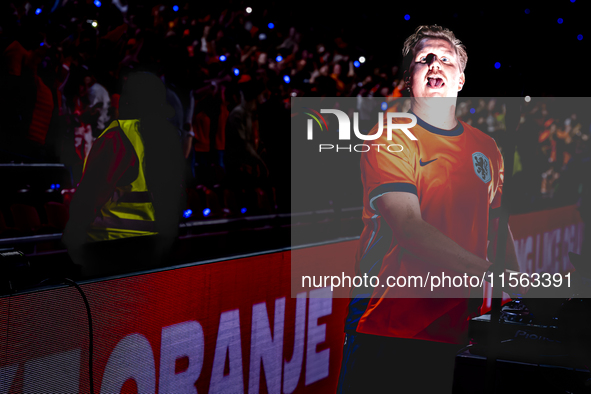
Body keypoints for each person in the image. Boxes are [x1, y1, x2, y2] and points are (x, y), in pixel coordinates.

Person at [337, 25, 524, 393]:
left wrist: (521, 293)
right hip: (387, 322)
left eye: (446, 60)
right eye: (424, 60)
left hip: (458, 324)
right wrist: (492, 272)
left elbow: (497, 224)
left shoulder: (486, 147)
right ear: (409, 78)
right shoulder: (390, 135)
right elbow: (408, 227)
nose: (435, 64)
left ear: (461, 79)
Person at [62, 72, 185, 279]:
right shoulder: (170, 139)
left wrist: (70, 240)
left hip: (108, 250)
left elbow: (88, 198)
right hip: (156, 250)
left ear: (127, 101)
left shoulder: (118, 136)